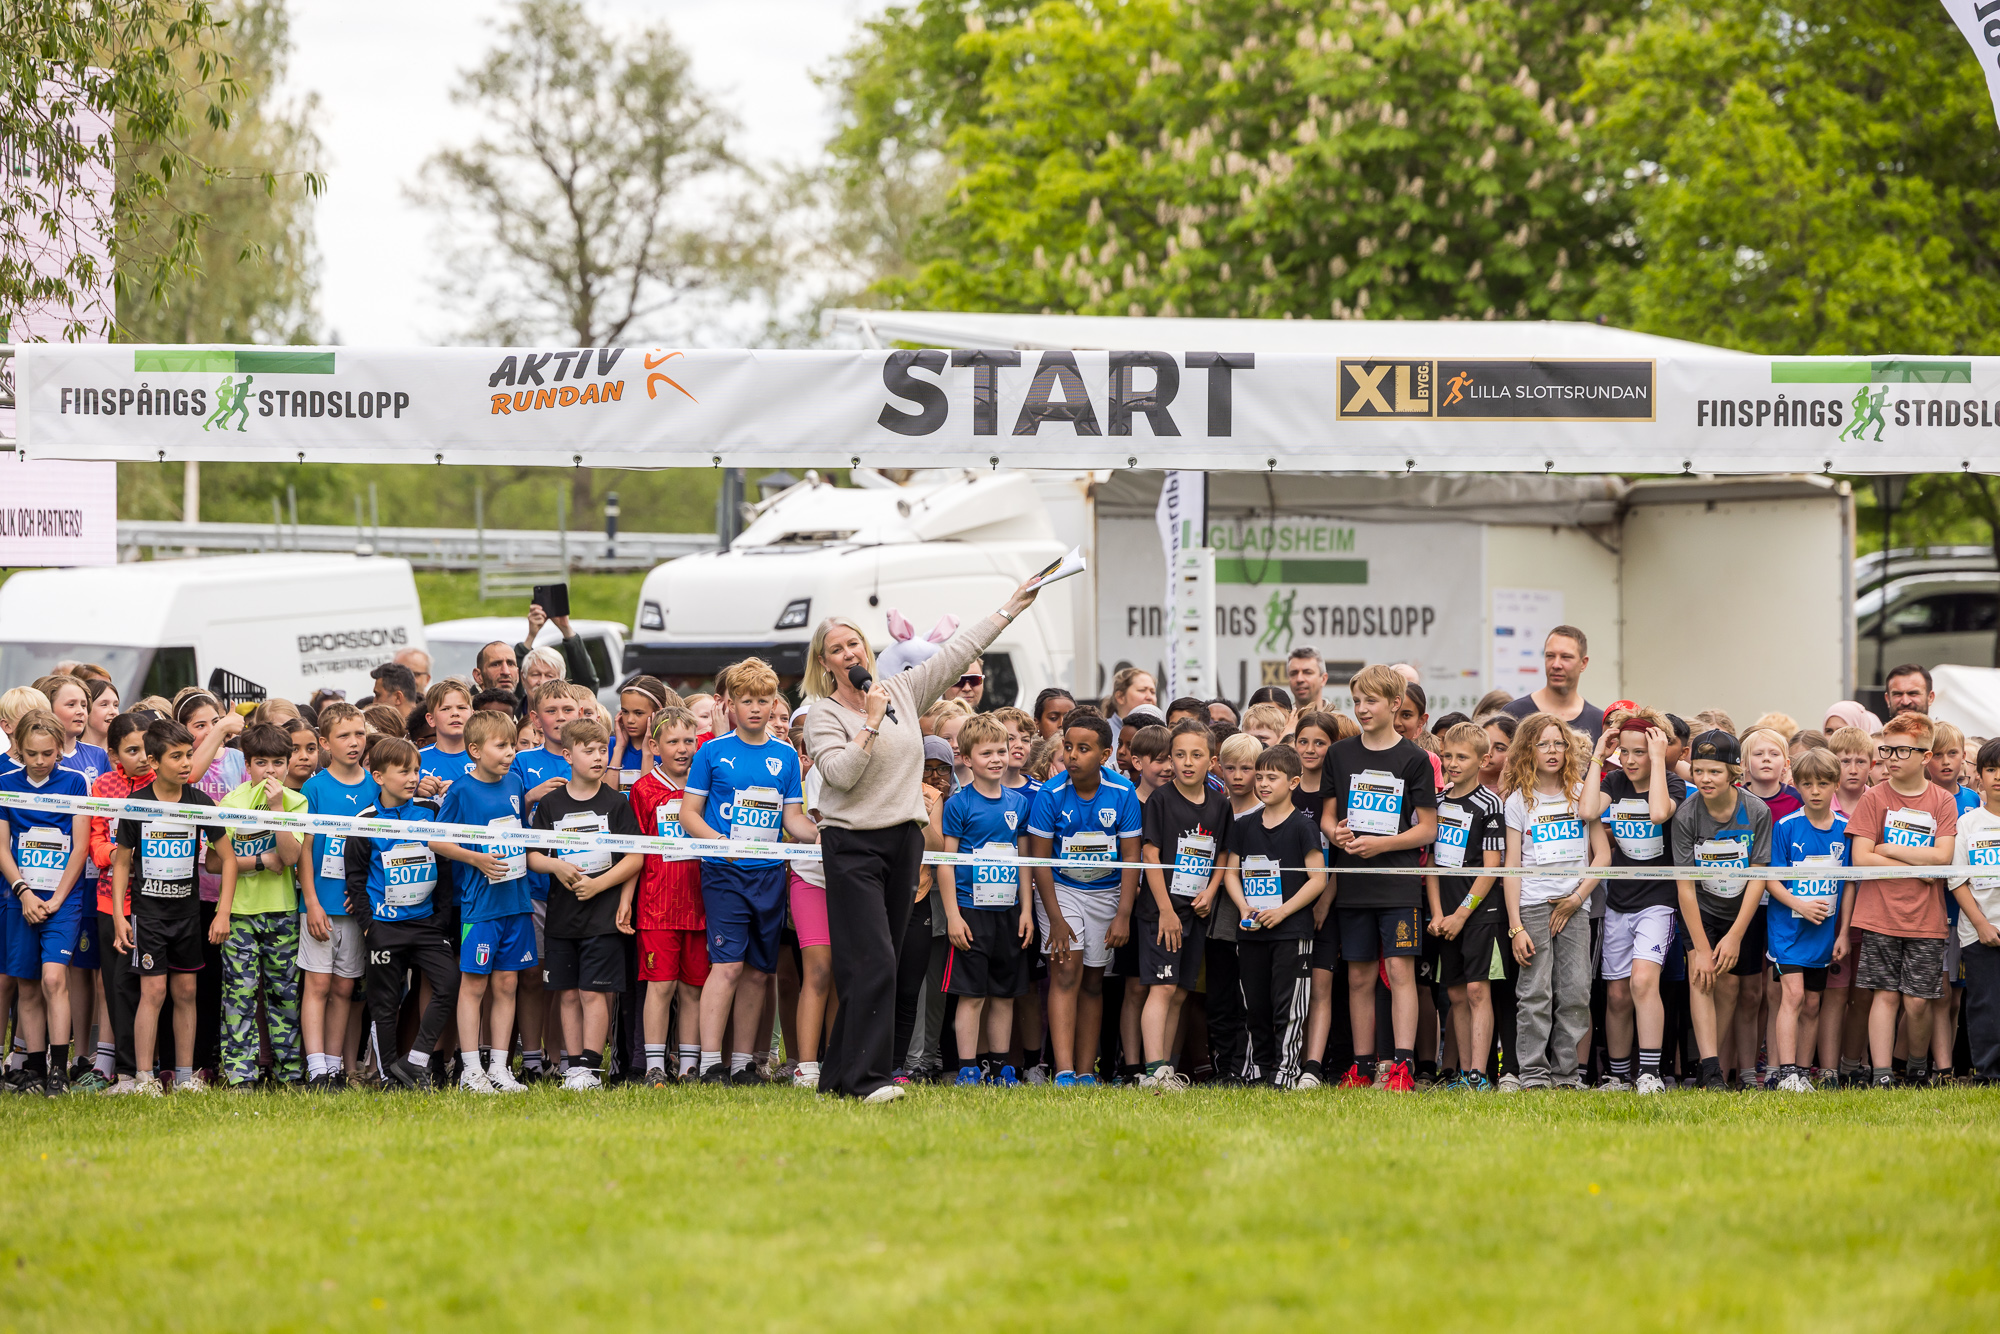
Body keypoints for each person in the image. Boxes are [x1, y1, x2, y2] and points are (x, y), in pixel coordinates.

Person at [800, 576, 1041, 1103]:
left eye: (854, 643)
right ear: (824, 663)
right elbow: (839, 775)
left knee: (881, 961)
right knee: (873, 961)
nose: (849, 653)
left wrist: (1012, 607)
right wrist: (869, 723)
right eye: (837, 649)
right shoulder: (824, 714)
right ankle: (870, 1080)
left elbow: (956, 652)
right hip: (851, 845)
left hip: (903, 841)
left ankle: (836, 1078)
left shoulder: (903, 691)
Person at [682, 658, 817, 1086]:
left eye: (763, 701)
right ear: (731, 705)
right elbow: (689, 814)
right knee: (727, 967)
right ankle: (710, 1063)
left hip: (770, 875)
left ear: (774, 703)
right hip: (724, 874)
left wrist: (822, 835)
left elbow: (792, 819)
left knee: (760, 971)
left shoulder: (785, 756)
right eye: (746, 701)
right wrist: (718, 843)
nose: (755, 709)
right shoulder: (711, 752)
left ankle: (743, 1064)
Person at [1323, 664, 1438, 1091]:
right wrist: (1333, 833)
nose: (1362, 709)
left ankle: (1402, 1067)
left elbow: (1428, 829)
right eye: (1357, 701)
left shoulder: (1415, 759)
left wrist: (1381, 845)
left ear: (1395, 703)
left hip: (1397, 884)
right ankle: (1362, 1066)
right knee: (1358, 976)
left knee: (1400, 972)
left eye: (1370, 701)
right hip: (1353, 883)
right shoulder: (1339, 754)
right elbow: (1328, 817)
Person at [113, 719, 231, 1095]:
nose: (185, 764)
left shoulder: (200, 803)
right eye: (176, 756)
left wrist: (223, 912)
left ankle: (184, 1077)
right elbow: (121, 863)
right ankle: (144, 1077)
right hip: (148, 916)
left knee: (186, 993)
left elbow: (228, 859)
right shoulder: (137, 804)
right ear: (153, 761)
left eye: (189, 755)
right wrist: (118, 916)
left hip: (188, 916)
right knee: (153, 993)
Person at [1024, 711, 1142, 1087]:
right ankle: (1063, 1071)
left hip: (1107, 894)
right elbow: (1041, 862)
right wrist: (1056, 919)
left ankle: (1086, 1070)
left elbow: (1132, 858)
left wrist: (1123, 914)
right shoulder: (1049, 794)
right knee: (1065, 972)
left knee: (1093, 980)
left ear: (1105, 755)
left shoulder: (1123, 793)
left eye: (1084, 749)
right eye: (1068, 747)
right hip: (1062, 891)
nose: (1073, 755)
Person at [527, 717, 643, 1091]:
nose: (597, 757)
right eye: (588, 750)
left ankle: (591, 1068)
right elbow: (533, 855)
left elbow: (635, 856)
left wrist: (599, 886)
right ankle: (573, 1066)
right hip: (562, 916)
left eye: (602, 750)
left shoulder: (616, 803)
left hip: (603, 916)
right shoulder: (550, 804)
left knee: (594, 992)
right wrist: (556, 865)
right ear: (567, 755)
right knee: (567, 992)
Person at [1846, 710, 1958, 1087]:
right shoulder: (1874, 797)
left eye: (1901, 751)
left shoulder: (1942, 801)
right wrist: (1916, 866)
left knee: (1918, 1001)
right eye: (1886, 750)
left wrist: (1890, 848)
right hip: (1879, 915)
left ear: (1925, 757)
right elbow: (1861, 858)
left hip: (1927, 919)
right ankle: (1881, 1074)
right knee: (1885, 995)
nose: (1891, 758)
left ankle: (1916, 1067)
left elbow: (1943, 856)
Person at [344, 737, 458, 1090]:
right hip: (384, 927)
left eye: (416, 770)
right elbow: (355, 878)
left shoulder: (430, 811)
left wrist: (439, 918)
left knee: (449, 984)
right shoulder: (364, 820)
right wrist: (369, 927)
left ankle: (415, 1060)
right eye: (404, 771)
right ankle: (388, 1076)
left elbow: (445, 867)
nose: (413, 778)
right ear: (378, 776)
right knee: (385, 1005)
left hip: (426, 925)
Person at [1502, 713, 1608, 1091]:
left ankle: (1566, 1075)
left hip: (1575, 907)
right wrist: (1515, 926)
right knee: (1535, 993)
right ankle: (1533, 1074)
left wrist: (1577, 897)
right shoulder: (1517, 801)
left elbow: (1602, 856)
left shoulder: (1581, 794)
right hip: (1532, 906)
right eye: (1543, 743)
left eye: (1559, 743)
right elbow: (1511, 866)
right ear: (1528, 749)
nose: (1552, 751)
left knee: (1577, 992)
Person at [1581, 711, 1685, 1094]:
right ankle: (1618, 1075)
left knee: (1643, 981)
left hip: (1658, 901)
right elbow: (1588, 810)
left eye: (1638, 752)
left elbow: (1658, 814)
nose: (1629, 760)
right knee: (1617, 994)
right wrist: (1598, 754)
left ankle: (1650, 1073)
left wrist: (1657, 760)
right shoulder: (1614, 781)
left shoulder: (1671, 783)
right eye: (1623, 752)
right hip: (1618, 901)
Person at [433, 709, 535, 1092]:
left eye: (513, 745)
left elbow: (520, 834)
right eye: (501, 745)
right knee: (474, 986)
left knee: (507, 984)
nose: (510, 753)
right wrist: (476, 858)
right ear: (475, 750)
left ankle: (499, 1068)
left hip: (517, 901)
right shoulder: (461, 790)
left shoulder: (515, 783)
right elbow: (437, 840)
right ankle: (471, 1070)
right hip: (480, 905)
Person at [1220, 743, 1327, 1089]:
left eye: (1272, 777)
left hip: (1291, 931)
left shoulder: (1303, 827)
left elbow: (1318, 879)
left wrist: (1282, 911)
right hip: (1251, 930)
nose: (1263, 784)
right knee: (1253, 1005)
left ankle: (1285, 1072)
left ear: (1293, 782)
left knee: (1289, 1007)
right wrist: (1243, 906)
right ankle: (1254, 1069)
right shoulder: (1244, 825)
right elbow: (1231, 873)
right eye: (1260, 777)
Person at [1671, 730, 1773, 1090]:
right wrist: (1700, 949)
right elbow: (1684, 887)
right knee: (1702, 977)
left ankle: (1712, 1065)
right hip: (1700, 907)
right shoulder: (1686, 815)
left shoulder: (1757, 811)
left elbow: (1758, 878)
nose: (1705, 779)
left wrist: (1735, 936)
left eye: (1714, 771)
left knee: (1729, 985)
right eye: (1698, 771)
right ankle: (1711, 1068)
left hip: (1740, 910)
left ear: (1734, 772)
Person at [937, 714, 1034, 1086]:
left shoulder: (1019, 803)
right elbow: (946, 864)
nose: (996, 759)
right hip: (970, 912)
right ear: (966, 758)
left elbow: (1025, 861)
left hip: (1008, 912)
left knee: (1004, 995)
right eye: (986, 753)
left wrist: (1026, 910)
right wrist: (953, 915)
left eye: (1001, 751)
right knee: (972, 995)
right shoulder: (959, 804)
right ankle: (967, 1068)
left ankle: (999, 1066)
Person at [0, 708, 91, 1094]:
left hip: (63, 899)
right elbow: (2, 846)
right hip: (20, 897)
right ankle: (34, 1068)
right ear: (18, 748)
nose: (40, 761)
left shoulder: (75, 782)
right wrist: (23, 891)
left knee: (54, 978)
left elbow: (81, 846)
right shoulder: (5, 783)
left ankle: (58, 1068)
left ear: (59, 750)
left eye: (48, 753)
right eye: (31, 754)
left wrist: (56, 899)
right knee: (27, 984)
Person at [1135, 718, 1229, 1090]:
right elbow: (1150, 855)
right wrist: (1166, 910)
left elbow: (1223, 854)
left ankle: (1167, 1070)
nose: (1187, 762)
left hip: (1197, 911)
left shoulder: (1220, 804)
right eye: (1180, 755)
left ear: (1212, 761)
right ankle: (1152, 1071)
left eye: (1196, 755)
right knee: (1161, 988)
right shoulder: (1161, 800)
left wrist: (1211, 891)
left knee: (1179, 992)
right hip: (1162, 912)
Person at [212, 723, 308, 1089]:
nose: (270, 771)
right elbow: (215, 863)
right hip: (239, 913)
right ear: (247, 764)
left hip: (282, 910)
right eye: (261, 762)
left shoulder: (295, 802)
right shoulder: (231, 803)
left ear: (288, 763)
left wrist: (277, 808)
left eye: (278, 762)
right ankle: (241, 1074)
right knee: (239, 995)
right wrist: (257, 862)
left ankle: (289, 1073)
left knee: (284, 994)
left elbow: (291, 857)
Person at [1765, 747, 1852, 1092]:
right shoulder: (1786, 827)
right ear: (1796, 785)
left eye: (1823, 783)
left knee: (1813, 1002)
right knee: (1794, 995)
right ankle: (1786, 1073)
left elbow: (1849, 885)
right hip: (1788, 930)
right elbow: (1771, 880)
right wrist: (1799, 906)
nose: (1815, 791)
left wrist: (1843, 933)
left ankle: (1803, 1072)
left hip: (1823, 934)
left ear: (1836, 784)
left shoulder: (1845, 829)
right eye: (1807, 784)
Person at [626, 708, 704, 1085]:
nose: (682, 748)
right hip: (657, 906)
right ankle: (655, 1065)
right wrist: (626, 900)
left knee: (693, 988)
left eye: (689, 740)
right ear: (655, 746)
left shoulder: (705, 784)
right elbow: (635, 851)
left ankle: (689, 1067)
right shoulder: (643, 790)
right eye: (673, 741)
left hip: (701, 904)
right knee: (660, 986)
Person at [1427, 721, 1506, 1092]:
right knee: (1456, 993)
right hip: (1445, 913)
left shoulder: (1490, 804)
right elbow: (1430, 864)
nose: (1452, 763)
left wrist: (1461, 914)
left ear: (1483, 760)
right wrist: (1438, 913)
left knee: (1477, 991)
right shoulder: (1437, 802)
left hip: (1478, 913)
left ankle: (1479, 1073)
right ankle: (1461, 1073)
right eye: (1447, 756)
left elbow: (1492, 867)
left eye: (1462, 757)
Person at [299, 702, 374, 1090]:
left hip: (355, 908)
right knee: (318, 985)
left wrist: (363, 896)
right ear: (325, 743)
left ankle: (333, 1068)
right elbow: (304, 851)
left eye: (359, 734)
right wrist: (311, 902)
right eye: (344, 735)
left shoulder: (375, 786)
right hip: (320, 906)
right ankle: (316, 1069)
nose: (354, 742)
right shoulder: (314, 788)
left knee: (345, 987)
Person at [89, 713, 154, 1092]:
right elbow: (96, 841)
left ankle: (154, 1066)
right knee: (117, 987)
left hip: (153, 901)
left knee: (150, 986)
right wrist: (118, 854)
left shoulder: (161, 783)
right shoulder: (102, 786)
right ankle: (125, 1071)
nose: (143, 757)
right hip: (109, 901)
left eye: (147, 748)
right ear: (114, 755)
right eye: (132, 750)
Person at [1950, 737, 2000, 1082]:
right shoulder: (1968, 823)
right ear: (1979, 774)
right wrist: (1981, 924)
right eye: (1991, 769)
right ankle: (1988, 1072)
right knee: (1986, 1004)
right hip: (1978, 931)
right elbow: (1956, 880)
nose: (1998, 777)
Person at [1500, 626, 1606, 740]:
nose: (1556, 665)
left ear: (1583, 663)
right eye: (1550, 656)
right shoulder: (1513, 714)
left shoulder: (1599, 723)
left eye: (1565, 657)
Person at [417, 679, 477, 793]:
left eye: (461, 707)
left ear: (472, 715)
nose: (455, 713)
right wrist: (414, 793)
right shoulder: (415, 759)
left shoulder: (488, 757)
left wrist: (462, 791)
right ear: (431, 719)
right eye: (445, 709)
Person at [611, 676, 671, 781]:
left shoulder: (667, 749)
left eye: (638, 713)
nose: (630, 720)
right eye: (625, 712)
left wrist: (648, 752)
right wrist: (619, 748)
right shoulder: (610, 745)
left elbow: (646, 791)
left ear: (658, 713)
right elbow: (607, 791)